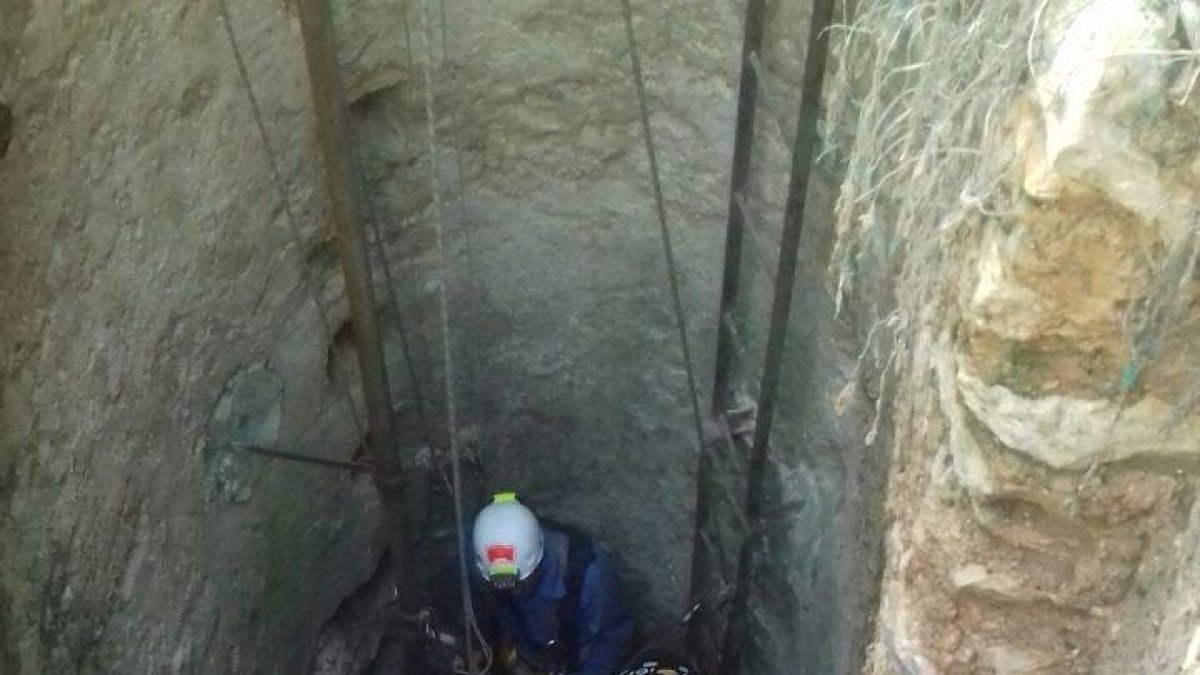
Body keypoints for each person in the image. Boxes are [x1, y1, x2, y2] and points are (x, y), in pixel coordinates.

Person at [470, 492, 633, 675]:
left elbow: (615, 635)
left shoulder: (586, 575)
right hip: (527, 656)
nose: (513, 591)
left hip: (577, 660)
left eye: (519, 583)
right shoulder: (485, 564)